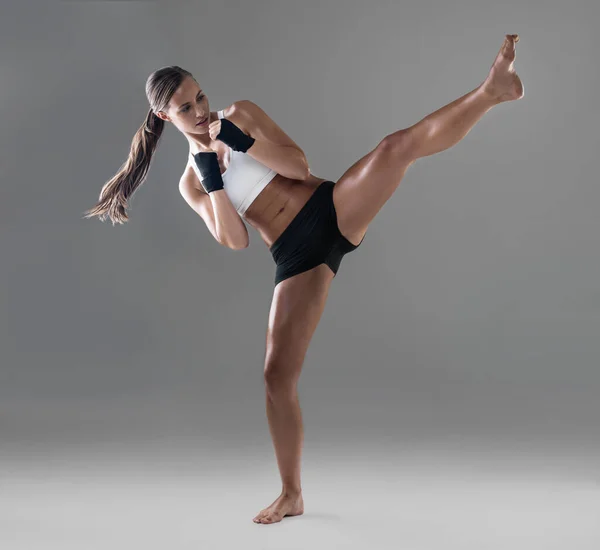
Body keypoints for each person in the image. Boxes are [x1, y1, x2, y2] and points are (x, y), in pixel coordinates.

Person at [83, 34, 524, 524]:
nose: (202, 110)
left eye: (201, 96)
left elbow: (298, 165)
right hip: (295, 255)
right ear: (166, 118)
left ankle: (491, 91)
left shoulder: (240, 114)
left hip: (328, 209)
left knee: (397, 147)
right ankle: (291, 493)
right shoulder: (190, 182)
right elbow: (234, 240)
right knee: (276, 377)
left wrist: (237, 140)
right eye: (187, 108)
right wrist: (212, 180)